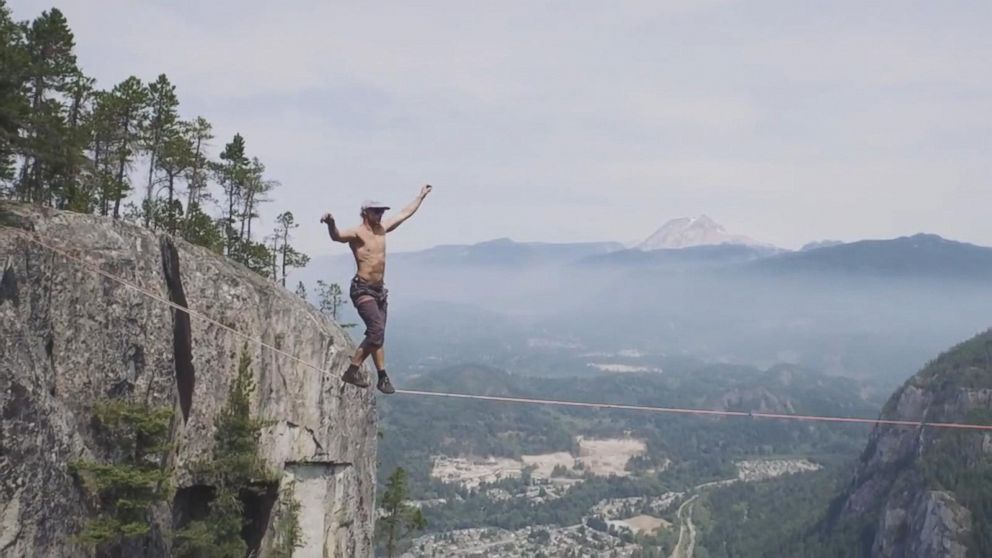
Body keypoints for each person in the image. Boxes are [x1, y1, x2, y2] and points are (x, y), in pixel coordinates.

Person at [320, 184, 433, 394]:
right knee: (376, 331)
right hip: (362, 289)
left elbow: (404, 213)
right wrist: (330, 222)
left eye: (382, 211)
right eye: (377, 211)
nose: (381, 215)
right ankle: (352, 370)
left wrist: (421, 196)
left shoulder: (383, 229)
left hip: (379, 291)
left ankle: (382, 378)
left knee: (378, 336)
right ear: (365, 212)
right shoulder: (357, 233)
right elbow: (336, 236)